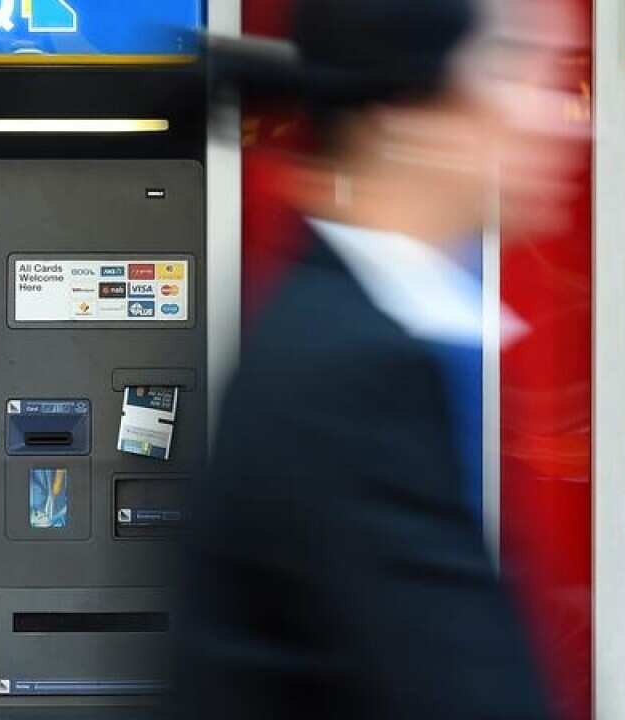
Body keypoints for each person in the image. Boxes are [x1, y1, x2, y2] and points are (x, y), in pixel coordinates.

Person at [176, 0, 585, 717]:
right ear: (410, 114)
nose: (565, 116)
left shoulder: (358, 326)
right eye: (519, 66)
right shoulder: (355, 372)